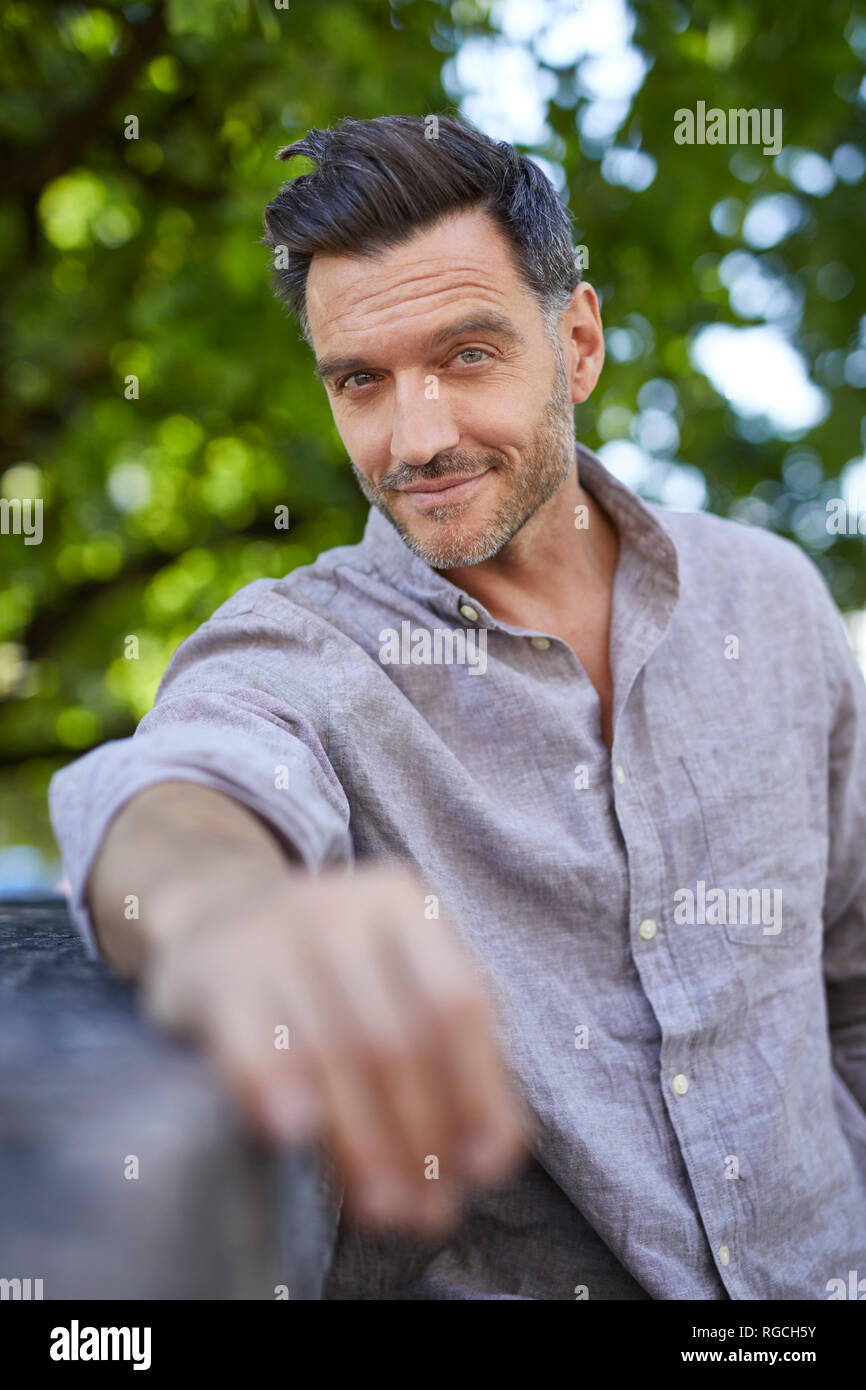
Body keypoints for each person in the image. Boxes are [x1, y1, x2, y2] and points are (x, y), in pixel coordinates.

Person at [49, 113, 866, 1300]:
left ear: (575, 343)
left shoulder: (772, 602)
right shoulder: (303, 647)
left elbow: (852, 989)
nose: (415, 437)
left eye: (468, 354)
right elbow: (182, 786)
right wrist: (225, 914)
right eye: (362, 381)